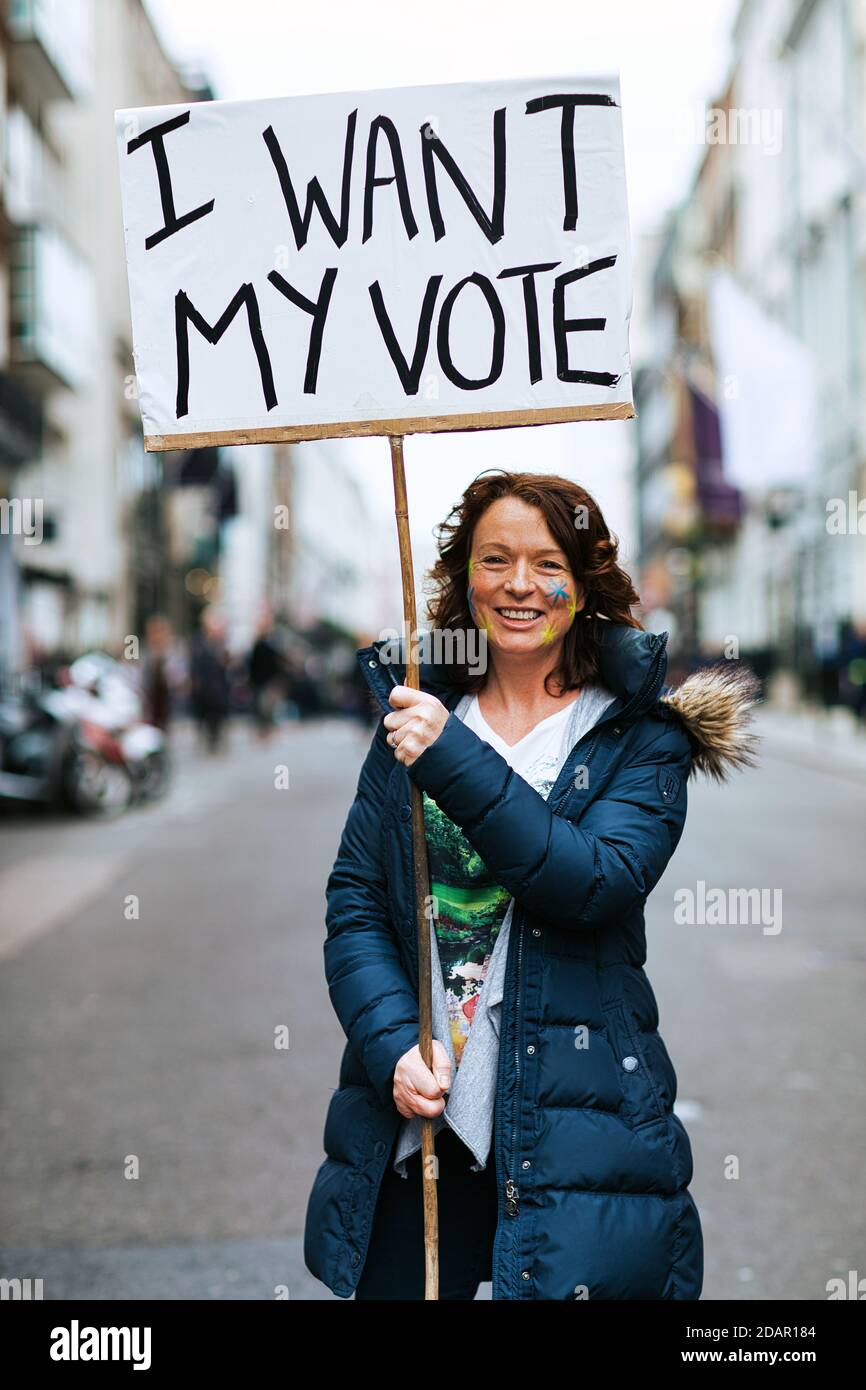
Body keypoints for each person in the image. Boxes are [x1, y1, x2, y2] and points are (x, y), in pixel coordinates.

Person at [304, 470, 761, 1301]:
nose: (520, 585)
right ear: (464, 576)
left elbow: (590, 883)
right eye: (495, 559)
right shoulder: (415, 714)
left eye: (547, 563)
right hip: (416, 1137)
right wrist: (389, 1048)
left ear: (583, 584)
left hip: (571, 1137)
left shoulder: (636, 738)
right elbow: (357, 903)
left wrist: (449, 755)